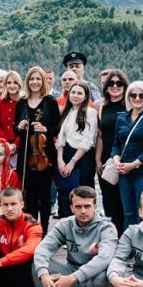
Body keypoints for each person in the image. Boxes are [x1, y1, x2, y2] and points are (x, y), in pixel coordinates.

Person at [33, 186, 117, 287]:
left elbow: (104, 259)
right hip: (70, 282)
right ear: (71, 207)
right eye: (78, 206)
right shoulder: (65, 224)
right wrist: (44, 275)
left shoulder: (107, 228)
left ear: (95, 207)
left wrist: (72, 278)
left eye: (87, 206)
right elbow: (42, 249)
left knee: (100, 275)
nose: (83, 211)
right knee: (37, 263)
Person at [111, 80, 143, 226]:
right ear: (128, 98)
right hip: (124, 173)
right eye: (133, 95)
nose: (137, 98)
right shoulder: (121, 118)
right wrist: (116, 160)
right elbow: (116, 144)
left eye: (142, 95)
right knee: (128, 212)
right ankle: (129, 245)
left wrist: (134, 164)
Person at [15, 67, 59, 231]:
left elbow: (56, 128)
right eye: (31, 79)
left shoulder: (50, 102)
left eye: (38, 79)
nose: (34, 82)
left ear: (43, 81)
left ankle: (45, 229)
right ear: (27, 81)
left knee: (45, 195)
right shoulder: (22, 102)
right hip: (26, 154)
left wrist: (46, 129)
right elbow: (15, 129)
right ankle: (31, 230)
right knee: (29, 195)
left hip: (44, 154)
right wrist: (19, 126)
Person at [55, 81, 99, 217]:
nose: (75, 95)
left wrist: (72, 163)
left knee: (83, 193)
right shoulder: (67, 112)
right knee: (65, 193)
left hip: (83, 157)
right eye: (73, 92)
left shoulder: (91, 113)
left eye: (80, 93)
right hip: (66, 154)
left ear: (86, 96)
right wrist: (60, 160)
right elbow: (60, 139)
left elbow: (88, 140)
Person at [96, 69, 128, 233]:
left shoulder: (130, 105)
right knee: (109, 201)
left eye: (119, 83)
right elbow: (100, 135)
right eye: (111, 83)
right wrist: (97, 160)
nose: (115, 86)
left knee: (124, 201)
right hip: (106, 159)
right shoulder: (102, 106)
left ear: (125, 86)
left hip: (125, 159)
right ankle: (113, 237)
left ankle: (125, 239)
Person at [0, 70, 22, 170]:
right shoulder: (0, 101)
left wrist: (15, 145)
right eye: (9, 83)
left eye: (15, 82)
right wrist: (6, 144)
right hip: (4, 145)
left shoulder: (24, 101)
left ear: (19, 84)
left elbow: (25, 127)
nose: (12, 85)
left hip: (20, 145)